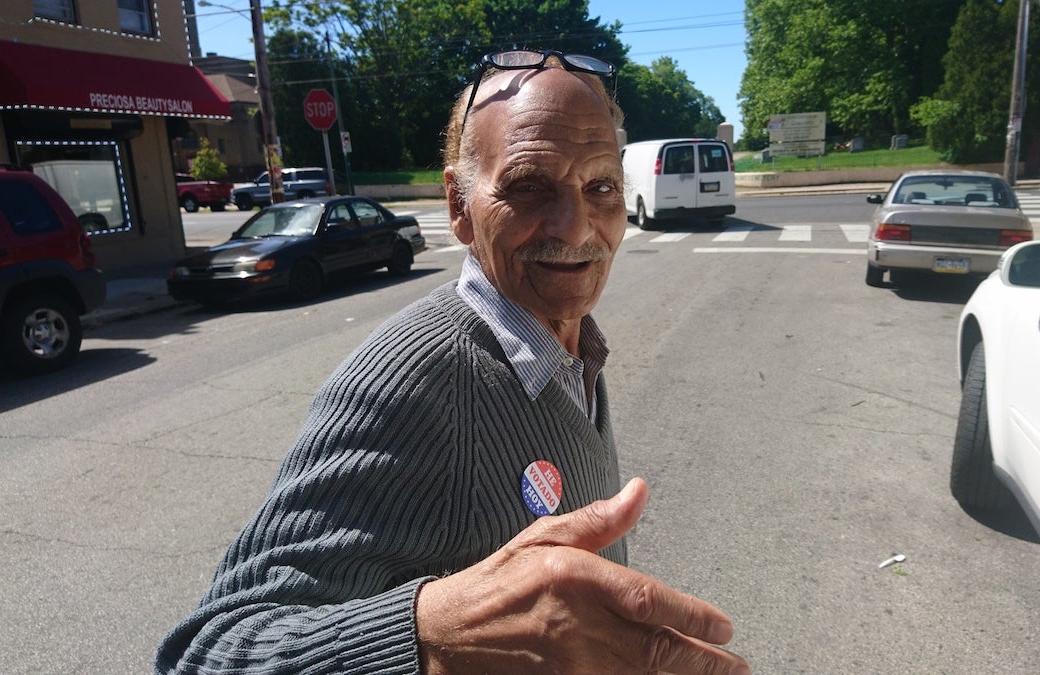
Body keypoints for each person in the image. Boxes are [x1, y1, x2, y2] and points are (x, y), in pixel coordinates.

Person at [156, 49, 750, 675]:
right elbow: (211, 651)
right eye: (528, 186)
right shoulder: (407, 382)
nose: (577, 228)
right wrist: (434, 634)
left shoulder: (574, 348)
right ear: (460, 206)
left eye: (600, 186)